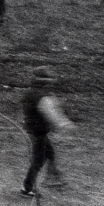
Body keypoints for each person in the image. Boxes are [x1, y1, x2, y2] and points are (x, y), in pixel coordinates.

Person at [20, 66, 72, 196]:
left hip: (34, 130)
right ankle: (27, 188)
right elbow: (50, 114)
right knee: (39, 160)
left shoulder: (30, 93)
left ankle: (54, 179)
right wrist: (63, 124)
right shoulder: (42, 97)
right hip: (39, 132)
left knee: (50, 154)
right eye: (49, 79)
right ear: (45, 81)